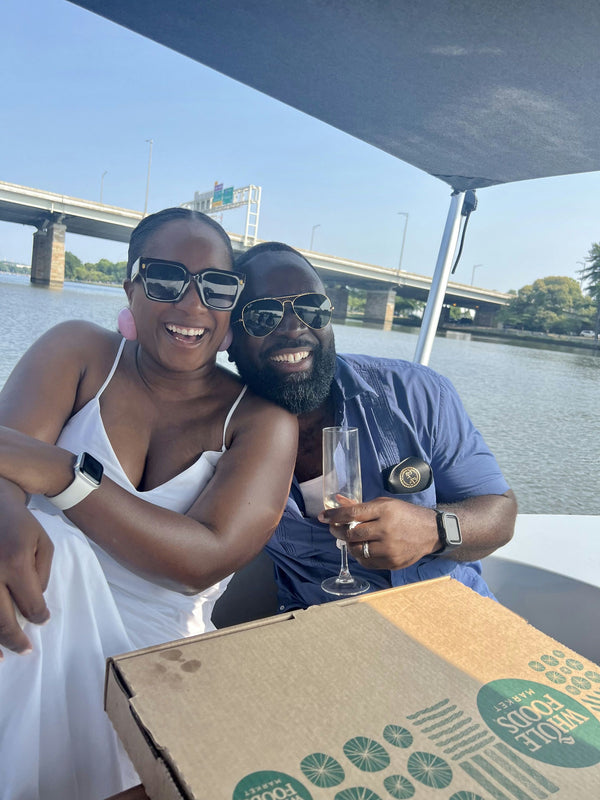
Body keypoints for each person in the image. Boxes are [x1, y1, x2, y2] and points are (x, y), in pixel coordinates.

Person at [0, 210, 297, 799]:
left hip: (155, 660)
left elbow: (202, 562)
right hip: (31, 597)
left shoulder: (262, 421)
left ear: (233, 304)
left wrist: (65, 474)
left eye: (216, 286)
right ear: (130, 287)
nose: (192, 306)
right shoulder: (80, 352)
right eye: (165, 280)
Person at [227, 242, 517, 612]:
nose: (293, 328)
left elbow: (501, 514)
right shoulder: (220, 431)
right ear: (230, 340)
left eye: (312, 308)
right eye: (263, 315)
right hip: (326, 629)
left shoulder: (417, 394)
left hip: (451, 610)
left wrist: (433, 530)